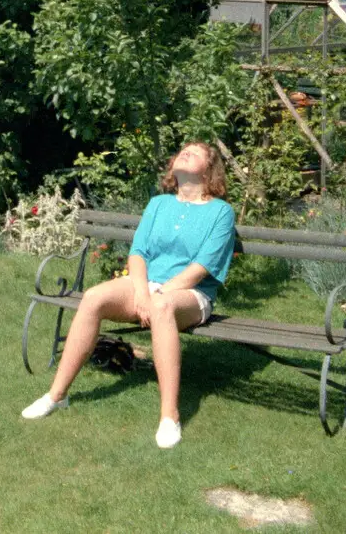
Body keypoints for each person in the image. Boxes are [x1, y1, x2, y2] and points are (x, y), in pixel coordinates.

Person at [19, 141, 236, 448]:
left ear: (210, 168)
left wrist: (156, 295)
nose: (185, 152)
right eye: (182, 150)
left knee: (161, 306)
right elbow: (138, 253)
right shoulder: (159, 204)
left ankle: (169, 416)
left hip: (190, 294)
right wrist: (142, 291)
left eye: (195, 151)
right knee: (93, 297)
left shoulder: (221, 212)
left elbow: (201, 268)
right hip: (147, 288)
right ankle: (57, 395)